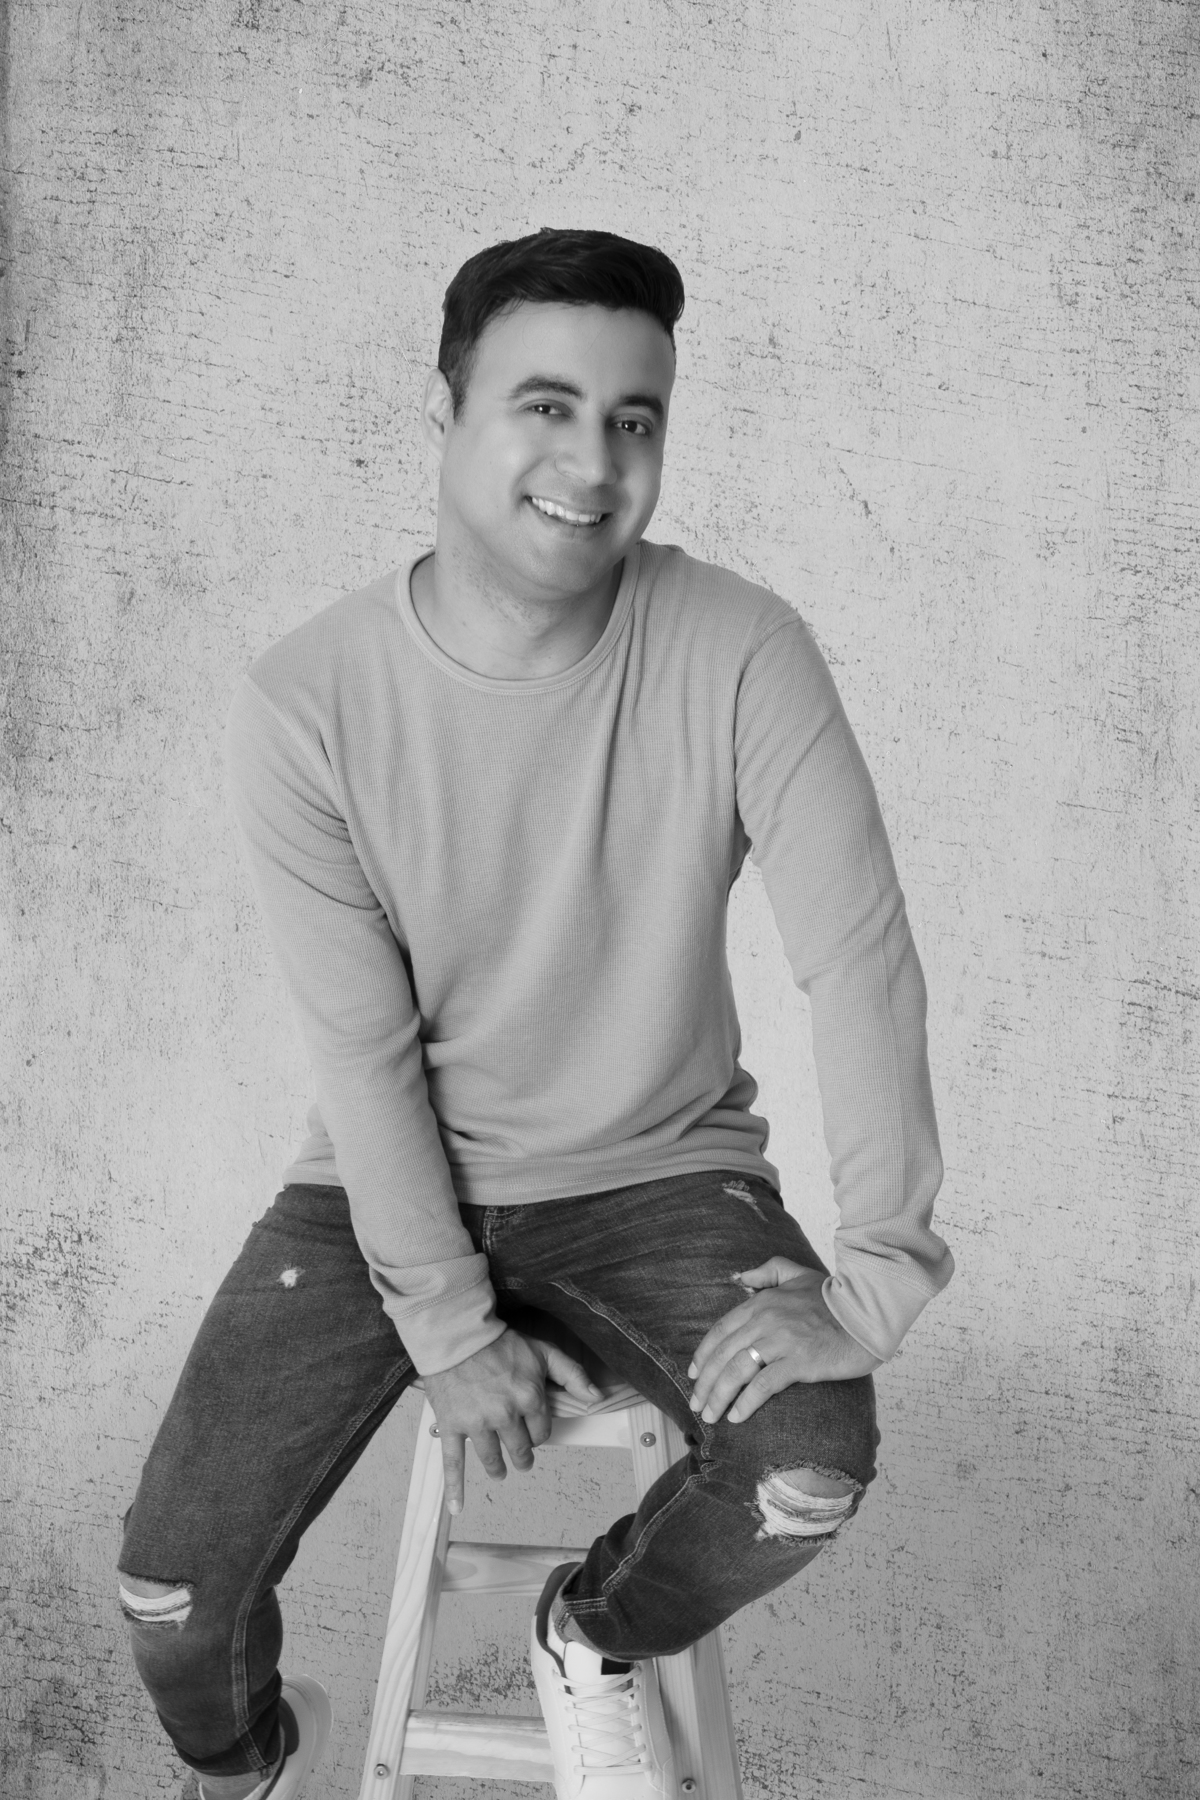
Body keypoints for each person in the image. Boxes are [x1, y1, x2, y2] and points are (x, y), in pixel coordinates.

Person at [117, 227, 953, 1800]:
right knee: (170, 1596)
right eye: (547, 407)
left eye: (636, 418)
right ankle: (249, 1766)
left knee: (806, 1471)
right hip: (382, 1187)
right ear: (446, 414)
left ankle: (590, 1632)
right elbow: (365, 1053)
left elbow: (859, 958)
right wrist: (447, 1324)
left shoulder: (743, 647)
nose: (595, 461)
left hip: (659, 1176)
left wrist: (878, 1278)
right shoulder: (305, 699)